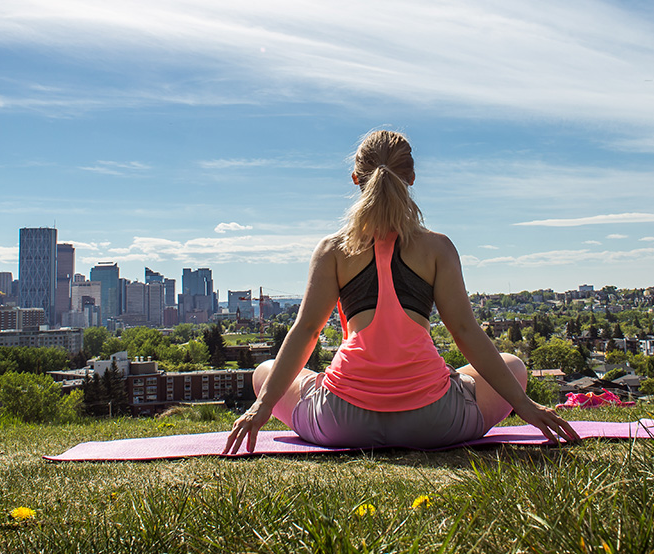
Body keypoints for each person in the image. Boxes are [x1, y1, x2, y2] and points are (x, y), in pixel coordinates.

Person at [223, 130, 580, 454]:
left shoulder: (333, 250)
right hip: (436, 422)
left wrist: (262, 407)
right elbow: (466, 333)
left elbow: (307, 332)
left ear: (355, 179)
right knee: (514, 365)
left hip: (340, 423)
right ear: (411, 178)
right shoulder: (437, 248)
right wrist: (526, 405)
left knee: (263, 372)